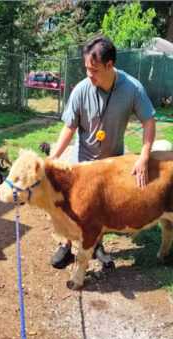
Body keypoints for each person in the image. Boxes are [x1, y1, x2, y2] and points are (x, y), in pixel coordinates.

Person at [49, 35, 157, 270]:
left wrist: (144, 155)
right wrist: (54, 157)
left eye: (94, 69)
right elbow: (69, 127)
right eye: (87, 68)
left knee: (104, 208)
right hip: (83, 163)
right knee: (71, 206)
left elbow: (149, 121)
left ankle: (97, 245)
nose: (89, 74)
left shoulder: (132, 88)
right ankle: (66, 245)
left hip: (112, 165)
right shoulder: (80, 90)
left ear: (110, 65)